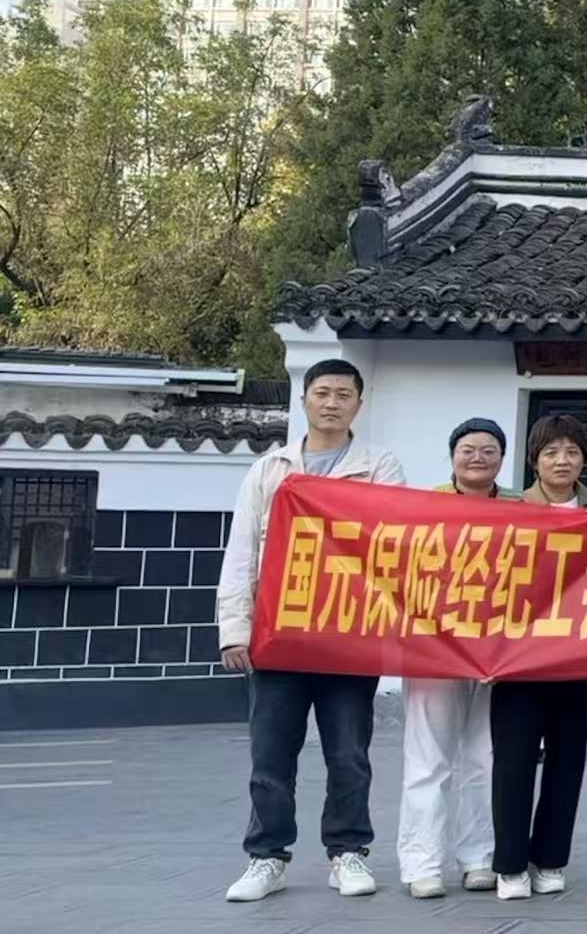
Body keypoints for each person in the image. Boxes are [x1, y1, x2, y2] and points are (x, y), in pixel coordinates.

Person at [218, 359, 407, 903]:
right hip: (278, 633)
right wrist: (235, 628)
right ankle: (267, 856)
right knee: (271, 754)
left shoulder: (380, 466)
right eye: (322, 392)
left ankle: (347, 852)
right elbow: (241, 551)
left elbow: (393, 539)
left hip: (349, 633)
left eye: (343, 394)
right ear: (304, 400)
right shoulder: (270, 469)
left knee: (348, 752)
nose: (332, 403)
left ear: (359, 405)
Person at [489, 414, 587, 901]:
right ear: (534, 460)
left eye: (572, 452)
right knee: (513, 763)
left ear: (583, 460)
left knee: (567, 761)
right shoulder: (509, 511)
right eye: (551, 452)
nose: (562, 461)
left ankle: (552, 859)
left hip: (578, 660)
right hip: (518, 660)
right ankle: (511, 865)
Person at [397, 418, 506, 898]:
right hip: (434, 649)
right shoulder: (423, 509)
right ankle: (422, 863)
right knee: (428, 759)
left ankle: (479, 857)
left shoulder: (521, 511)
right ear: (452, 456)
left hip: (498, 651)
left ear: (502, 459)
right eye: (468, 449)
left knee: (486, 757)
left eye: (488, 449)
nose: (477, 457)